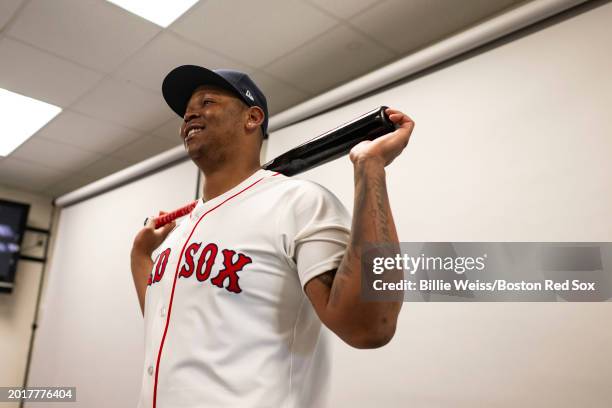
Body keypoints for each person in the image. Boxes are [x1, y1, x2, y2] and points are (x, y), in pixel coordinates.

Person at [130, 65, 414, 408]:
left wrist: (370, 168)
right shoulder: (178, 235)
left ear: (252, 118)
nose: (190, 113)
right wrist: (141, 257)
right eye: (187, 110)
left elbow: (370, 326)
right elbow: (166, 324)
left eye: (206, 102)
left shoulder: (298, 202)